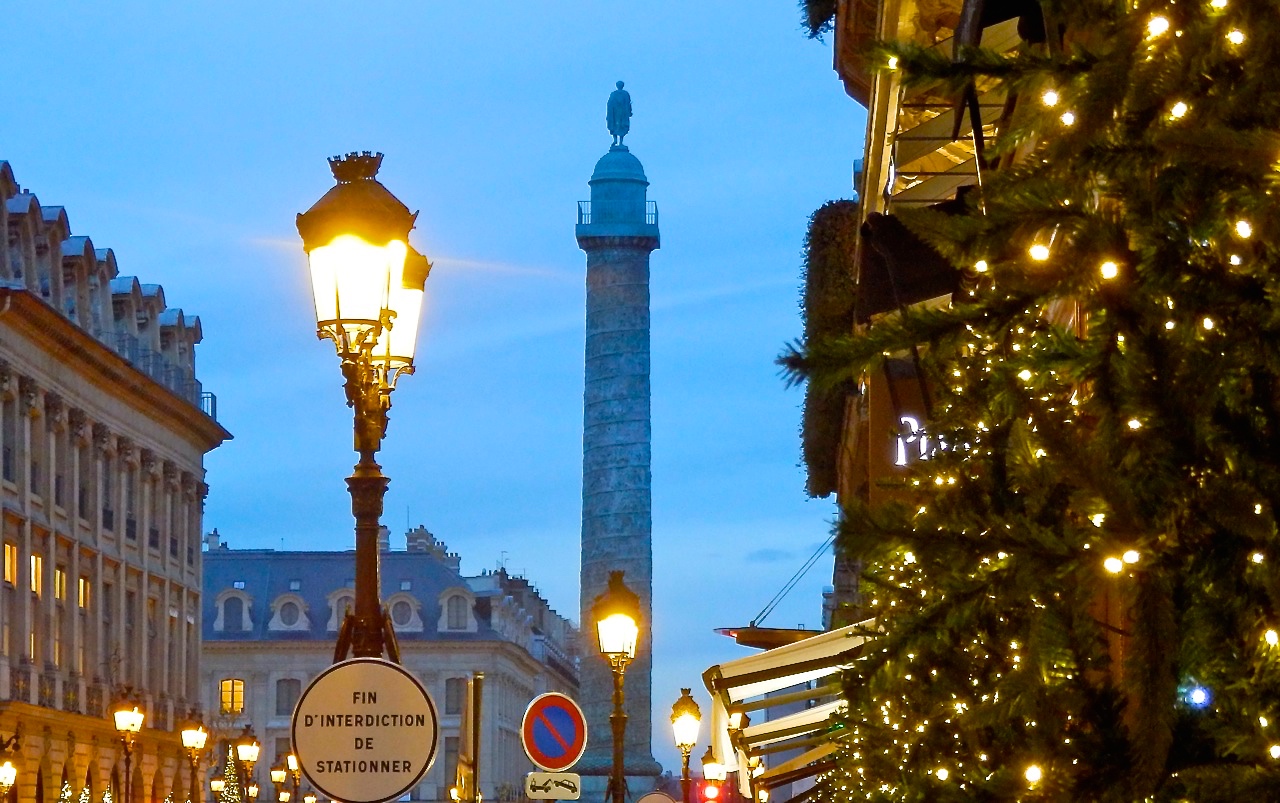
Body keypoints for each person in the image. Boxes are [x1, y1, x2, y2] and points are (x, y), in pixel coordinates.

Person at [606, 81, 632, 147]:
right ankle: (616, 141)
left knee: (621, 126)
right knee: (616, 126)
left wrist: (629, 111)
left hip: (621, 113)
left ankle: (619, 142)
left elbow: (628, 103)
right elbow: (610, 104)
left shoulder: (623, 94)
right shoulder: (616, 94)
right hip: (615, 113)